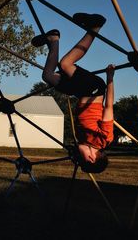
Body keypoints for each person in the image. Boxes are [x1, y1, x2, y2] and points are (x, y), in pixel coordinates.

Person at [31, 13, 115, 173]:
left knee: (47, 75)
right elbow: (109, 107)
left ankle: (53, 39)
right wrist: (110, 78)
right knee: (65, 63)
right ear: (91, 157)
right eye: (80, 158)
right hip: (93, 89)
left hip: (79, 92)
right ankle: (95, 27)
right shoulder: (104, 140)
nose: (77, 155)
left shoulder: (83, 140)